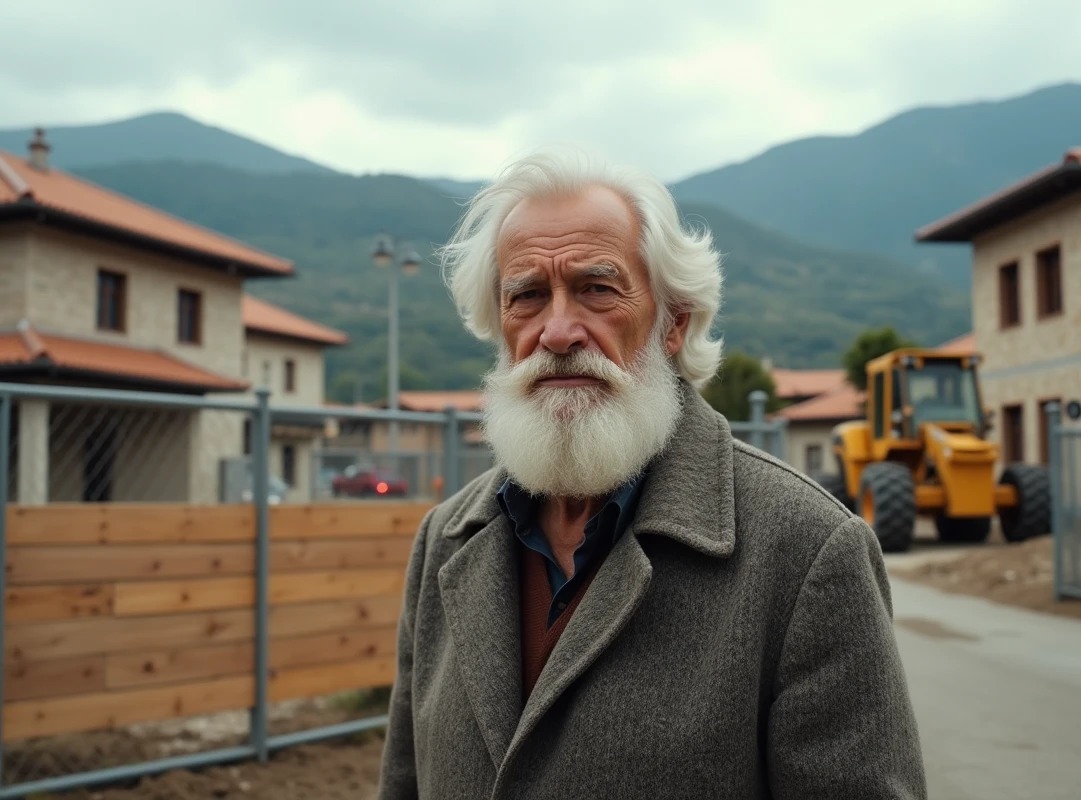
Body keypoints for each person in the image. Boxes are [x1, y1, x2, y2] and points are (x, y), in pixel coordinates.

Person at [376, 145, 926, 799]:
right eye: (526, 296)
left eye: (596, 289)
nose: (557, 331)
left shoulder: (808, 550)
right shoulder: (445, 541)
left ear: (673, 323)